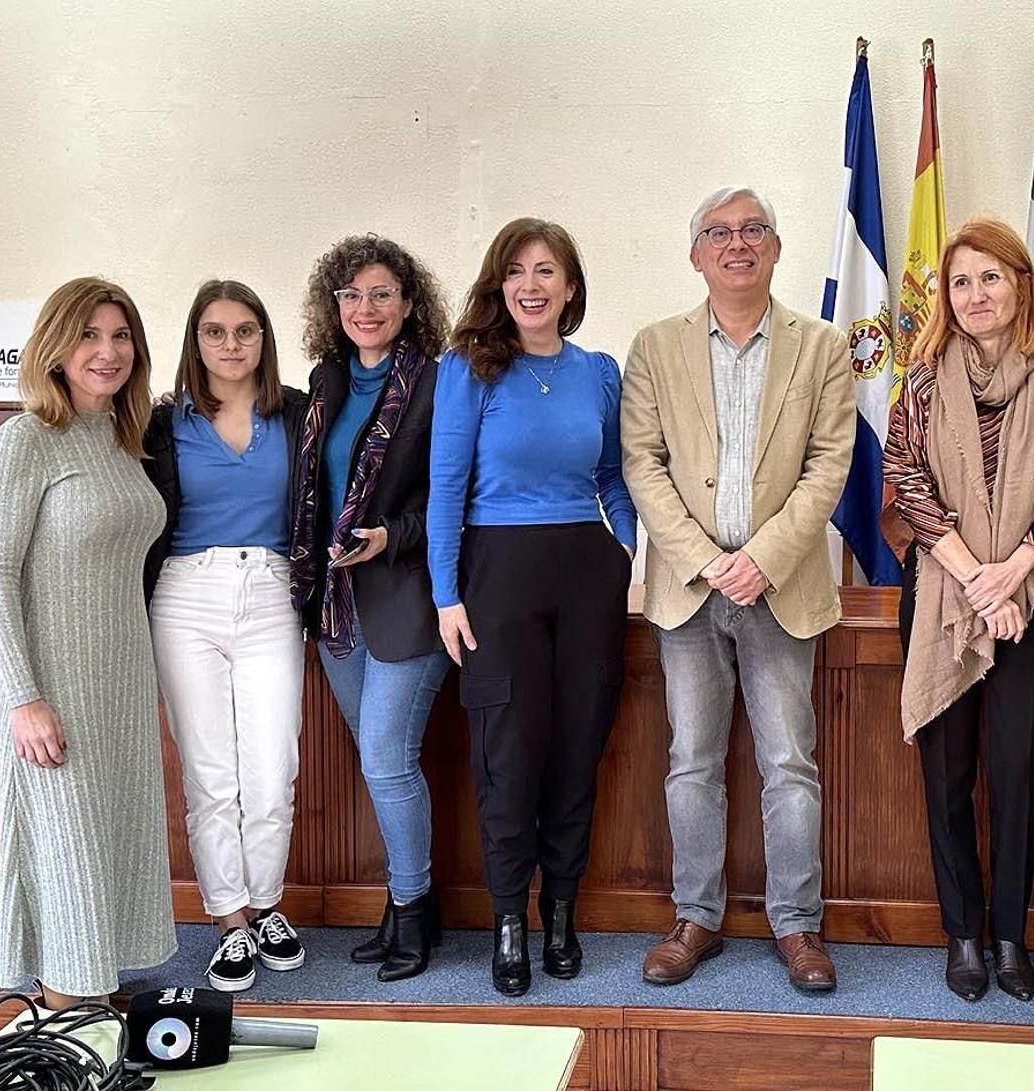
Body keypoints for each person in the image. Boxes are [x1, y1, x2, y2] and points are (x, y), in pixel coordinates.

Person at [622, 185, 855, 993]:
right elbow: (641, 462)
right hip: (689, 589)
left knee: (790, 760)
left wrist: (761, 556)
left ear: (776, 247)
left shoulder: (822, 346)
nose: (737, 243)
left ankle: (798, 925)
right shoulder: (654, 346)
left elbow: (831, 464)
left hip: (782, 586)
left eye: (753, 229)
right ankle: (696, 916)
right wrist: (706, 557)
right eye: (717, 232)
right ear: (696, 255)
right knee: (692, 759)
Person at [882, 218, 1034, 1002]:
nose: (975, 295)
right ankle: (962, 933)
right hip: (945, 589)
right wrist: (978, 578)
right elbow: (906, 477)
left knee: (1018, 768)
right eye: (961, 281)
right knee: (947, 773)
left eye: (991, 278)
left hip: (1028, 593)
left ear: (1020, 285)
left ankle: (1011, 934)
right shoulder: (925, 375)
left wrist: (1016, 572)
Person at [429, 218, 637, 997]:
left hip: (587, 572)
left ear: (570, 287)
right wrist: (446, 594)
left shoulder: (599, 371)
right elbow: (447, 486)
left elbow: (613, 476)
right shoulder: (470, 369)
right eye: (516, 271)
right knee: (508, 755)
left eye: (546, 270)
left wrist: (627, 552)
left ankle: (561, 908)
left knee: (578, 747)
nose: (531, 285)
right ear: (498, 284)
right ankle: (510, 916)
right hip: (497, 576)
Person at [0, 277, 175, 1008]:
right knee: (67, 855)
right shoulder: (26, 437)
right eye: (89, 335)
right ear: (55, 348)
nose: (107, 351)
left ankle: (91, 995)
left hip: (120, 682)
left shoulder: (125, 440)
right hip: (52, 684)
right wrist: (25, 698)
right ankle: (63, 1014)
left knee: (110, 845)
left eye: (120, 335)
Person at [288, 235, 452, 982]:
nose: (365, 307)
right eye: (351, 294)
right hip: (337, 608)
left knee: (387, 760)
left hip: (409, 599)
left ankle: (413, 909)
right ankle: (407, 906)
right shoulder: (322, 382)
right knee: (380, 761)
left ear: (409, 304)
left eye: (382, 293)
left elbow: (457, 502)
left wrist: (389, 535)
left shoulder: (438, 384)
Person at [143, 280, 309, 992]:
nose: (232, 344)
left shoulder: (298, 412)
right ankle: (231, 921)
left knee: (272, 768)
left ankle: (268, 903)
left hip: (272, 592)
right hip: (185, 596)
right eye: (215, 331)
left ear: (264, 339)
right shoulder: (162, 421)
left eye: (246, 330)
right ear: (195, 341)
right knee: (211, 773)